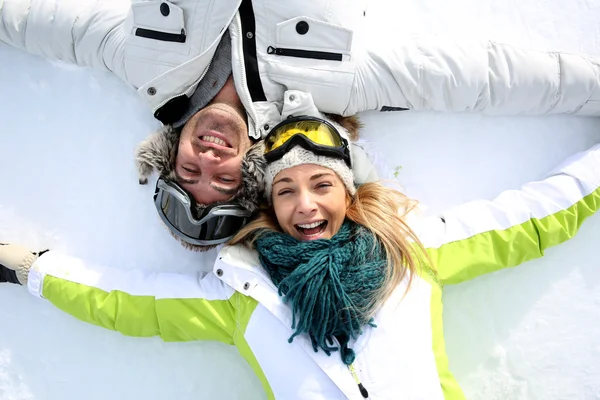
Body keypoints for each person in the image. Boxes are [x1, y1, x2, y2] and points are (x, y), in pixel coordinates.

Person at [1, 113, 599, 399]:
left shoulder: (412, 251)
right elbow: (128, 302)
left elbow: (532, 219)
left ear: (349, 193)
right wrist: (29, 268)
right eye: (285, 190)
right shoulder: (239, 293)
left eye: (321, 186)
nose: (305, 205)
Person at [2, 0, 600, 240]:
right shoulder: (336, 89)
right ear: (254, 170)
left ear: (166, 155)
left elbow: (32, 24)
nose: (207, 164)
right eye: (224, 183)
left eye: (187, 176)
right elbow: (482, 79)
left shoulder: (138, 62)